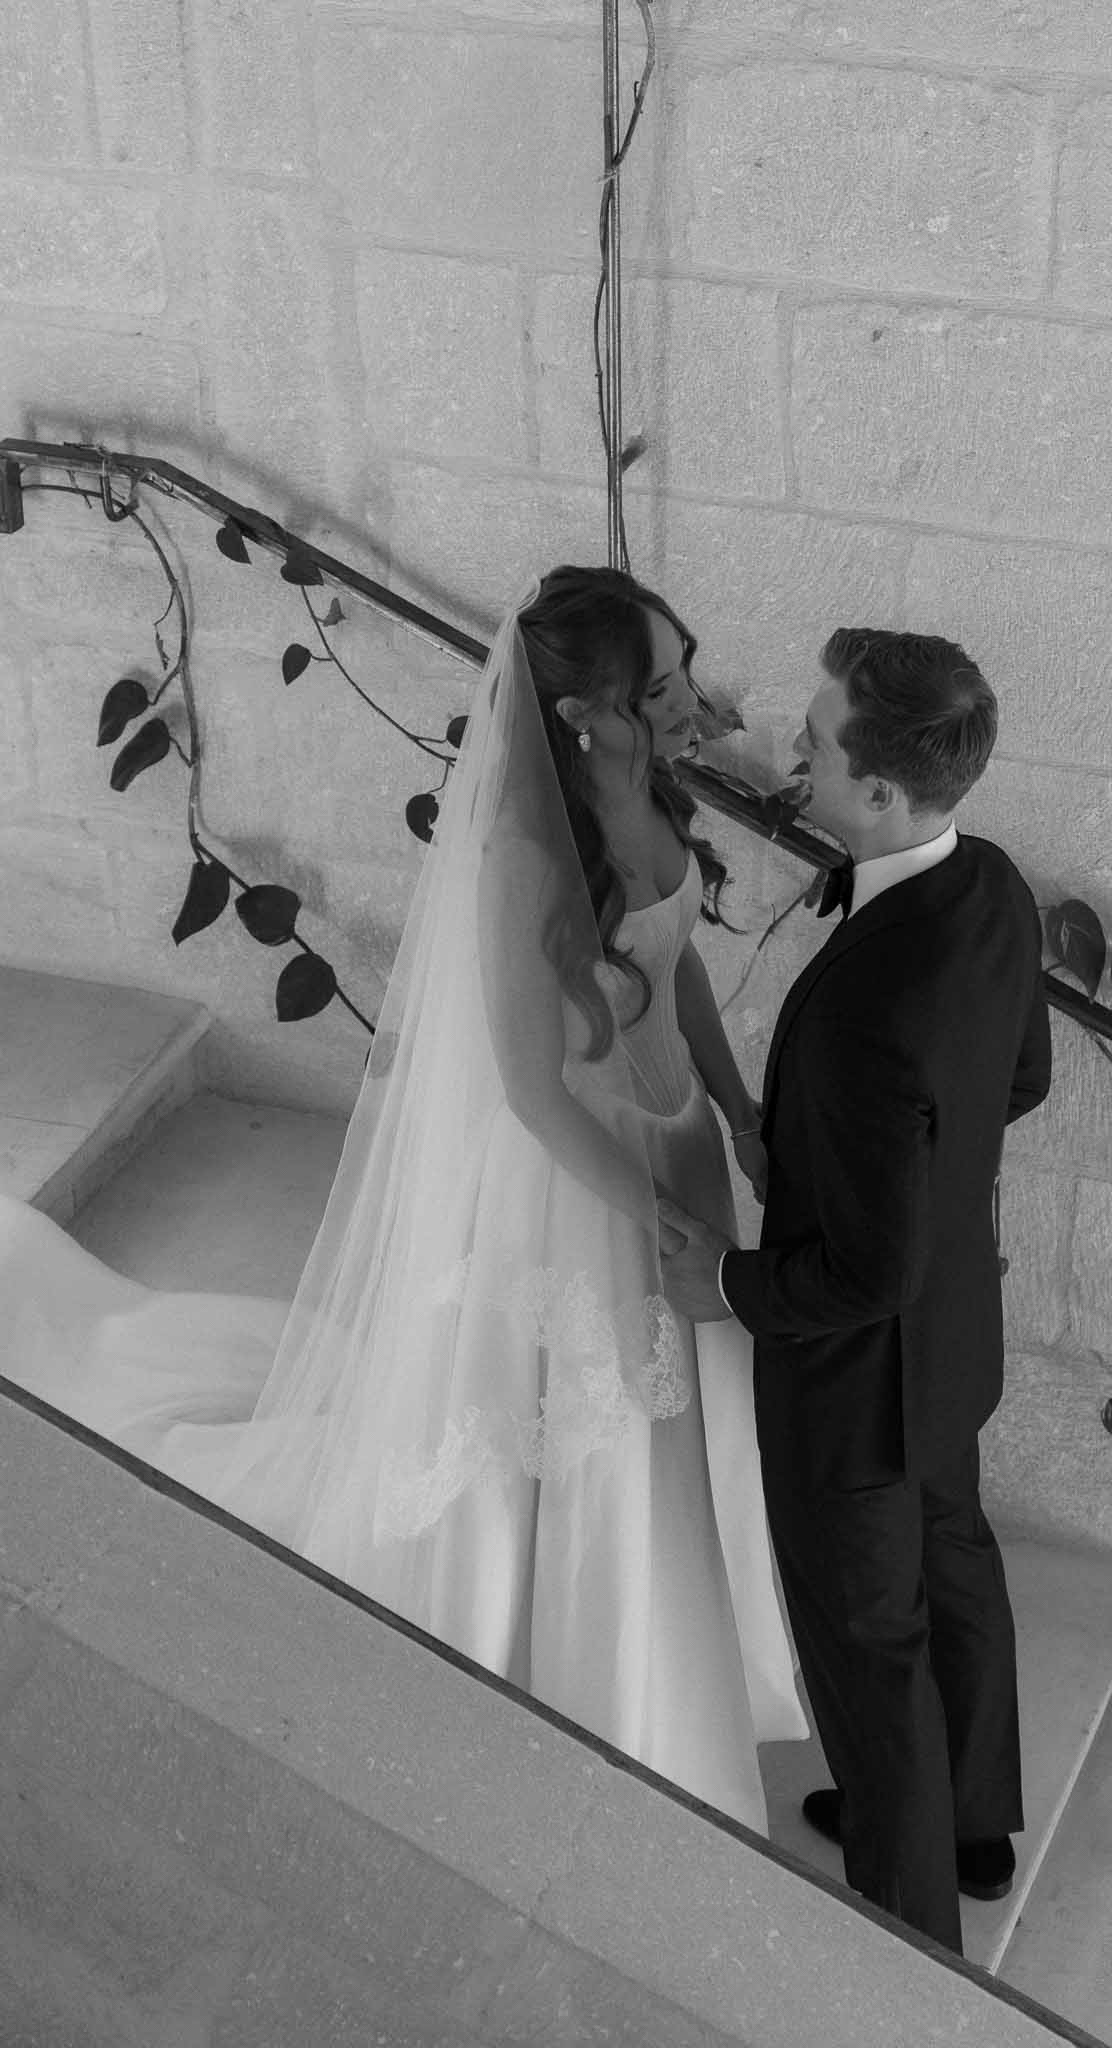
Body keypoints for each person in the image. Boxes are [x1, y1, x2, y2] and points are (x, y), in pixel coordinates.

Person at [0, 567, 807, 1832]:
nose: (684, 704)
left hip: (679, 1140)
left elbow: (673, 957)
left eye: (673, 675)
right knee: (569, 1420)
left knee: (675, 1424)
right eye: (655, 686)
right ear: (588, 705)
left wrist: (737, 1106)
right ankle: (574, 1675)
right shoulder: (520, 850)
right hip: (581, 1177)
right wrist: (656, 1219)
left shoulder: (647, 786)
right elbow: (534, 1093)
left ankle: (675, 1644)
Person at [660, 627, 1052, 1952]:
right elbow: (1020, 1083)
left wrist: (724, 1278)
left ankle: (910, 1950)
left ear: (880, 792)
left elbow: (869, 1270)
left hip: (860, 1391)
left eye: (817, 743)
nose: (792, 754)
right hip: (956, 1353)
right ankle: (977, 1827)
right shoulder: (992, 887)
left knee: (870, 1654)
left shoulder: (878, 1000)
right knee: (953, 1559)